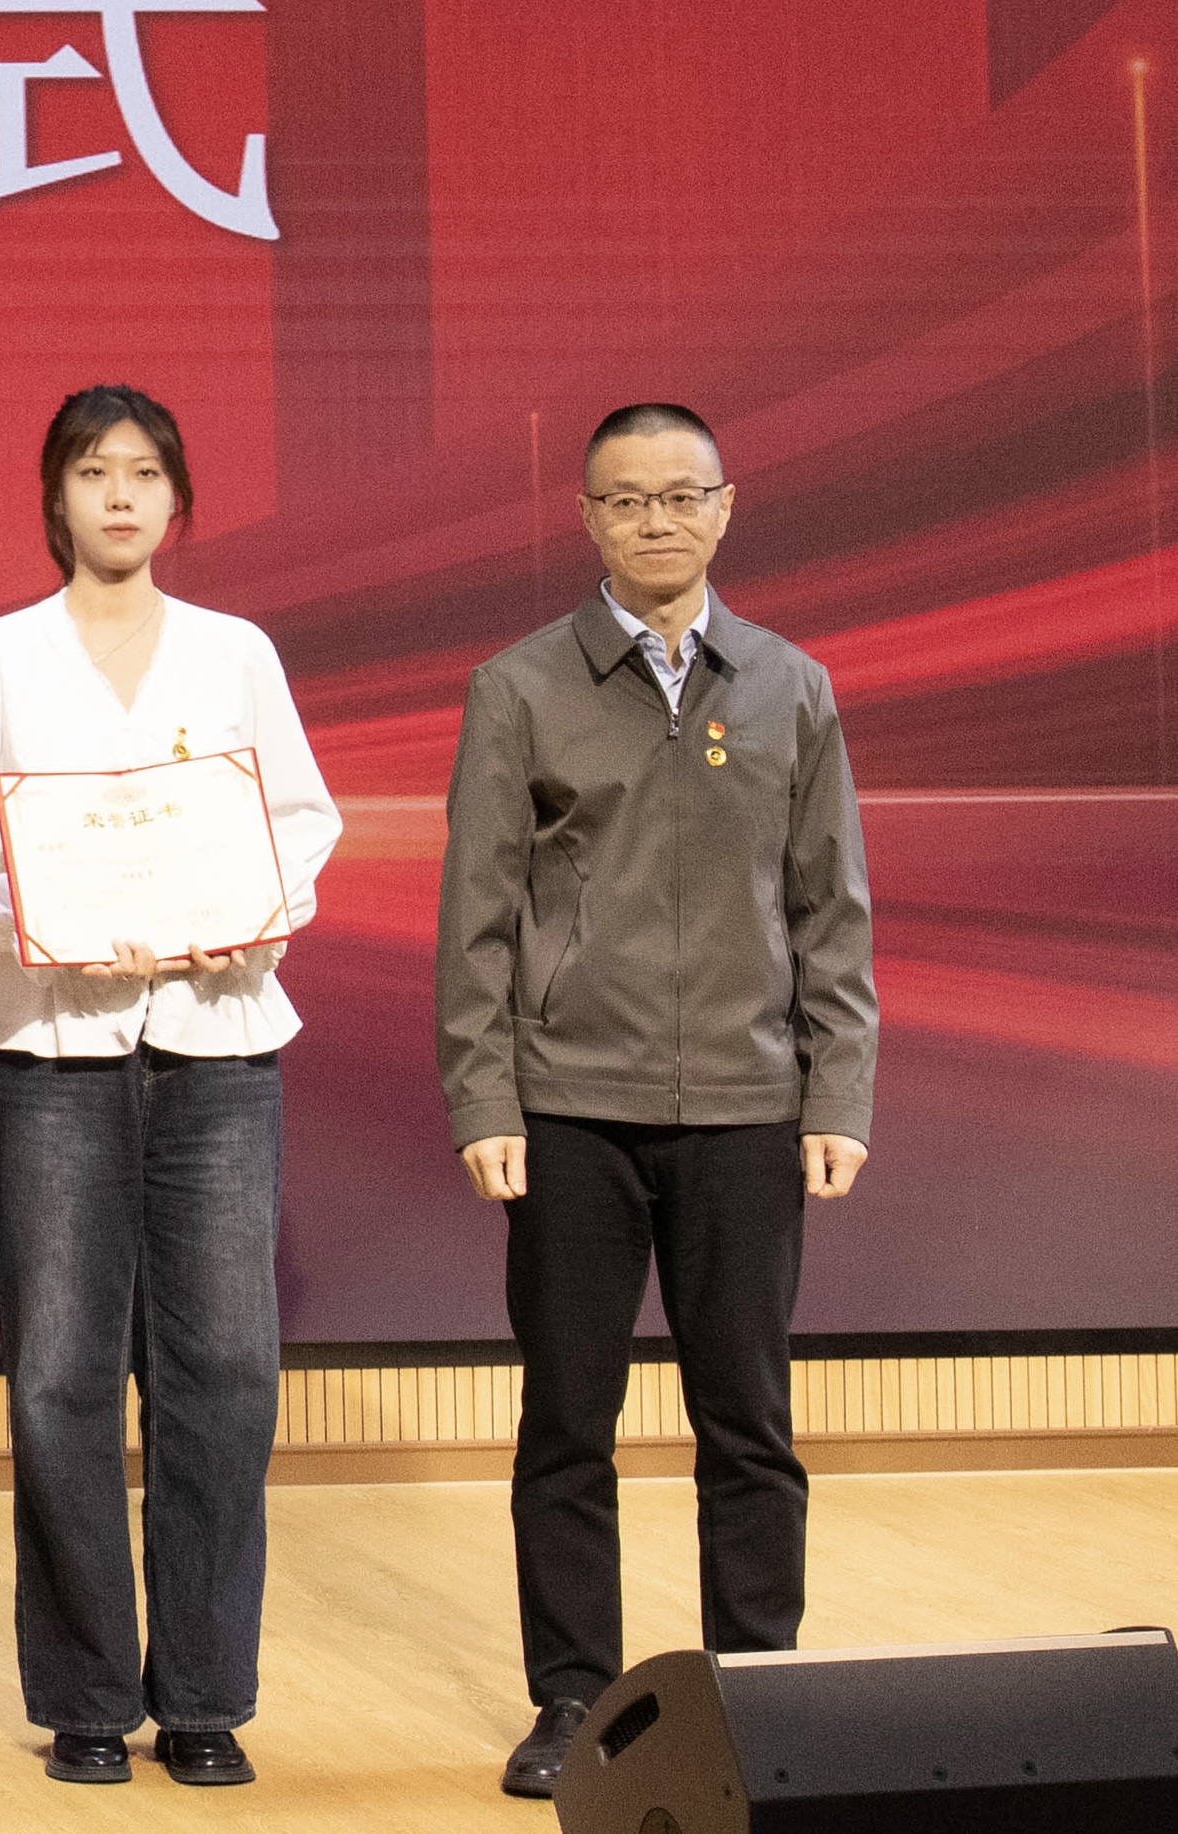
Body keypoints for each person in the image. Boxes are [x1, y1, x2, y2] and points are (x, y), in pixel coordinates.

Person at [436, 404, 877, 1799]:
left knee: (746, 1420)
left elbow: (829, 907)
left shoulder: (790, 685)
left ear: (725, 507)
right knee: (568, 1421)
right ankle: (574, 1698)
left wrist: (836, 1089)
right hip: (569, 1107)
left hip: (748, 1106)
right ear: (587, 517)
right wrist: (484, 1097)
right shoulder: (518, 685)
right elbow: (477, 916)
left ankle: (760, 1694)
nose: (656, 521)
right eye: (626, 500)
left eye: (681, 495)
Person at [0, 385, 340, 1793]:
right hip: (52, 1051)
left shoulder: (233, 652)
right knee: (58, 1375)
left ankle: (205, 1695)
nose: (118, 494)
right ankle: (87, 1694)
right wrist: (44, 921)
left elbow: (299, 824)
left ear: (177, 499)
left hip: (216, 1042)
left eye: (144, 472)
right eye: (93, 471)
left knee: (223, 1371)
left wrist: (243, 915)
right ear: (54, 497)